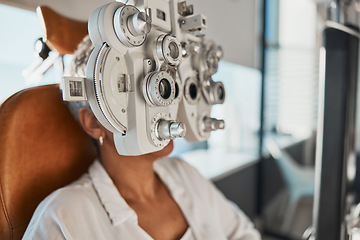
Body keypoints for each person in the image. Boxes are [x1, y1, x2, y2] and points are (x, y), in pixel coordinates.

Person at [22, 36, 261, 240]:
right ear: (95, 123)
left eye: (161, 83)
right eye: (137, 87)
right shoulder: (63, 216)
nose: (165, 102)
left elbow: (242, 233)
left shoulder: (183, 173)